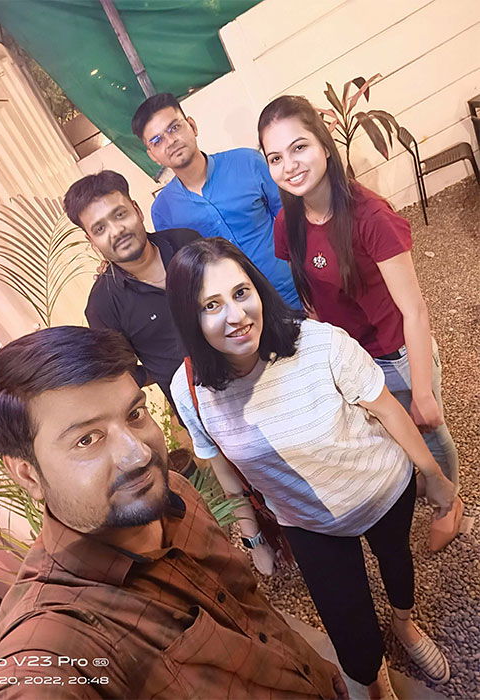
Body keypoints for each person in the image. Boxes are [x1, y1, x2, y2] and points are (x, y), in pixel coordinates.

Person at [0, 326, 347, 700]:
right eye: (87, 439)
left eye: (134, 414)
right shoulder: (57, 638)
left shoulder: (173, 493)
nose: (138, 454)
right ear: (28, 474)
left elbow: (250, 609)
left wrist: (318, 671)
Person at [166, 237, 456, 699]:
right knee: (346, 621)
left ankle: (404, 623)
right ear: (189, 317)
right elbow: (222, 466)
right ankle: (371, 678)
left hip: (380, 487)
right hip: (306, 520)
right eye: (211, 305)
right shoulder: (190, 389)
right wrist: (254, 537)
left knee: (397, 563)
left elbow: (387, 409)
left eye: (241, 293)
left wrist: (434, 477)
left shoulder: (320, 343)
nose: (236, 316)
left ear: (258, 289)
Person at [257, 95, 463, 552]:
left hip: (396, 350)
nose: (289, 165)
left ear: (324, 144)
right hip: (353, 357)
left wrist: (423, 390)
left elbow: (415, 310)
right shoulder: (287, 221)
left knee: (428, 426)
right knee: (389, 431)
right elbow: (311, 293)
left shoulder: (371, 217)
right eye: (275, 157)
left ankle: (449, 501)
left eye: (299, 147)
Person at [131, 92, 300, 309]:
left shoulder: (248, 162)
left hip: (295, 293)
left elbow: (295, 221)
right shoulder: (163, 210)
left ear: (192, 126)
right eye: (157, 140)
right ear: (152, 155)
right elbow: (186, 271)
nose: (170, 141)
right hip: (237, 314)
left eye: (174, 127)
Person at [63, 170, 199, 408]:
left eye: (120, 214)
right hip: (201, 414)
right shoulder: (103, 305)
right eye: (100, 229)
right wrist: (164, 371)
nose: (116, 231)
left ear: (136, 210)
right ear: (91, 241)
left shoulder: (187, 243)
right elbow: (120, 373)